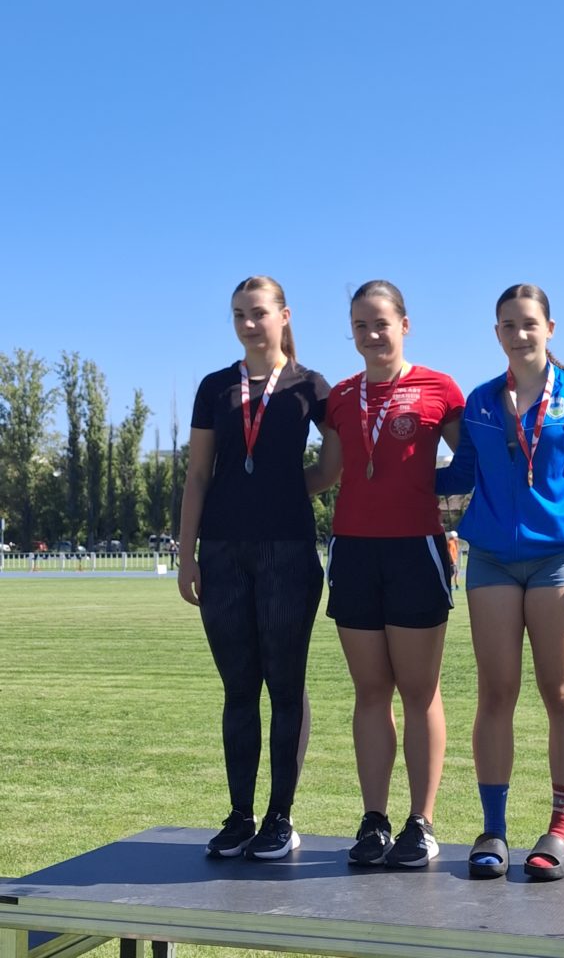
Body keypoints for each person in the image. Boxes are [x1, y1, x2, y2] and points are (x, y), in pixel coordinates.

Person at [436, 283, 564, 881]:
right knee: (495, 693)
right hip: (490, 558)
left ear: (549, 328)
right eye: (508, 325)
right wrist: (387, 466)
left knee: (560, 692)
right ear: (497, 334)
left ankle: (561, 830)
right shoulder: (482, 402)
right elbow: (460, 474)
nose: (519, 334)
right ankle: (493, 830)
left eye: (529, 323)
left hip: (557, 561)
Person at [307, 280, 464, 868]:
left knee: (420, 692)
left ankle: (421, 823)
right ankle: (374, 820)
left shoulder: (440, 389)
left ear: (405, 325)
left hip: (416, 551)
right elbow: (325, 474)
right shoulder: (341, 397)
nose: (371, 334)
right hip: (353, 552)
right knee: (370, 692)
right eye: (360, 325)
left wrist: (424, 487)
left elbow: (472, 464)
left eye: (381, 323)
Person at [178, 275, 329, 861]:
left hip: (287, 552)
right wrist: (186, 553)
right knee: (238, 688)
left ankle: (279, 818)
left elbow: (334, 467)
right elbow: (198, 476)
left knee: (285, 686)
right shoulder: (215, 387)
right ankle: (240, 815)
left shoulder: (310, 386)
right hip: (222, 553)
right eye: (239, 313)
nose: (247, 323)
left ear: (283, 316)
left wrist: (283, 491)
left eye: (258, 312)